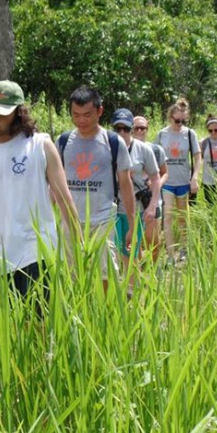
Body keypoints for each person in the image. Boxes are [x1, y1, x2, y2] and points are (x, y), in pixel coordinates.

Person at [0, 81, 79, 299]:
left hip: (36, 251)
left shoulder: (40, 145)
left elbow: (64, 199)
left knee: (41, 323)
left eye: (1, 114)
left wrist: (78, 245)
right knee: (9, 326)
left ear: (18, 113)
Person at [56, 86, 135, 291]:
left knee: (106, 271)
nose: (81, 120)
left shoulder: (113, 142)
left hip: (103, 218)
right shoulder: (64, 141)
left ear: (99, 112)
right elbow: (55, 183)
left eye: (87, 115)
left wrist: (132, 224)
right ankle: (78, 315)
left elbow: (126, 185)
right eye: (76, 115)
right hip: (70, 219)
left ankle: (107, 315)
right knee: (72, 273)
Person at [111, 109, 161, 272]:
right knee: (113, 251)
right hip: (111, 208)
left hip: (135, 209)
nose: (122, 133)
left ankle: (133, 289)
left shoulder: (143, 149)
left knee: (130, 250)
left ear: (131, 129)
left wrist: (153, 206)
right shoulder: (107, 147)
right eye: (117, 129)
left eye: (126, 129)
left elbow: (156, 178)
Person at [154, 97, 201, 262]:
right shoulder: (161, 134)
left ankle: (183, 249)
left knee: (182, 217)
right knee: (167, 217)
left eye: (183, 120)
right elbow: (155, 156)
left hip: (183, 181)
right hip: (167, 182)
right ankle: (170, 253)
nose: (180, 123)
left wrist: (195, 177)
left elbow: (197, 156)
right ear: (170, 117)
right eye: (177, 120)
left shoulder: (189, 133)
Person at [133, 115, 167, 262]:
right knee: (135, 239)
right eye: (136, 128)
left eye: (143, 128)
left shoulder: (156, 150)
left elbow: (165, 173)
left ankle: (154, 267)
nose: (140, 131)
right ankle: (138, 272)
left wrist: (156, 184)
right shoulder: (124, 149)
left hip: (152, 200)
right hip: (132, 200)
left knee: (152, 238)